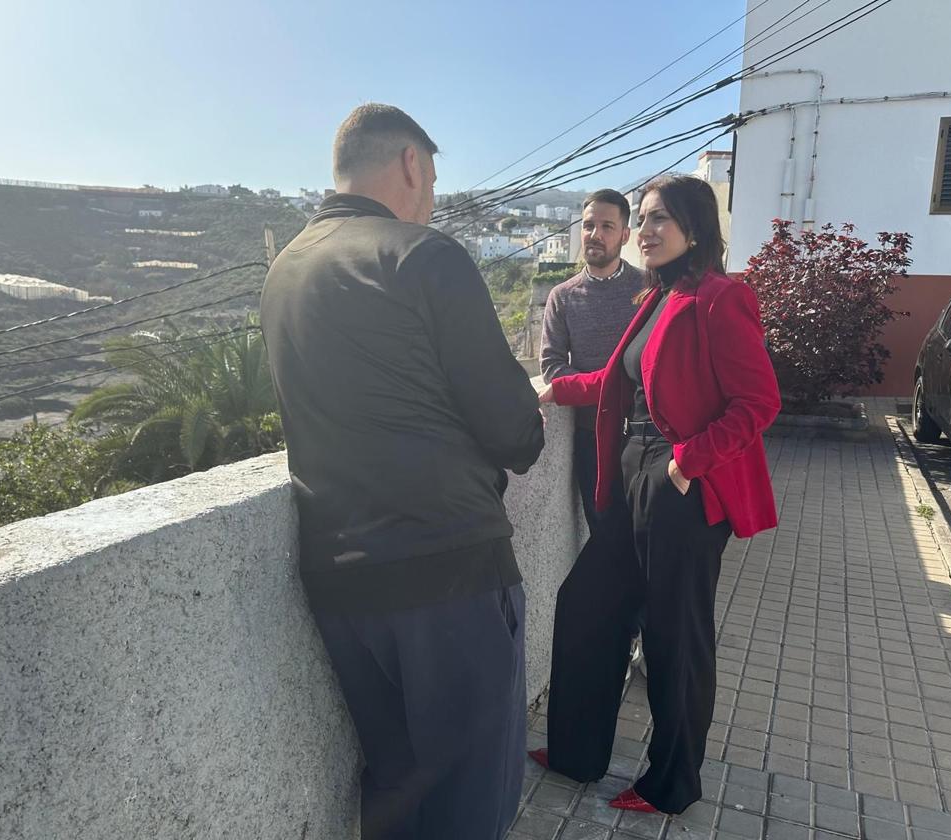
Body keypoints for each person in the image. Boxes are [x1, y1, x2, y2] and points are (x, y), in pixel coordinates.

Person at [260, 103, 545, 840]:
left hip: (340, 583)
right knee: (471, 803)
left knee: (396, 793)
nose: (432, 198)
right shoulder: (423, 254)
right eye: (433, 179)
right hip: (447, 571)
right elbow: (514, 428)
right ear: (411, 165)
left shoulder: (284, 271)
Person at [533, 174, 781, 815]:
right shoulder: (657, 297)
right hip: (632, 478)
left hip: (683, 487)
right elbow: (617, 382)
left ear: (694, 229)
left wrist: (686, 463)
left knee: (676, 637)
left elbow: (759, 402)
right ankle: (576, 753)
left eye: (658, 219)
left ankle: (672, 783)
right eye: (641, 219)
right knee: (585, 604)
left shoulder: (720, 298)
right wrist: (554, 389)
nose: (644, 231)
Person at [539, 189, 642, 531]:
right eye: (588, 226)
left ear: (625, 235)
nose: (595, 235)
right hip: (591, 436)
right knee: (604, 534)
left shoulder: (649, 289)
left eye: (607, 226)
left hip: (645, 435)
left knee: (644, 533)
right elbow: (552, 366)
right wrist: (604, 390)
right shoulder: (563, 296)